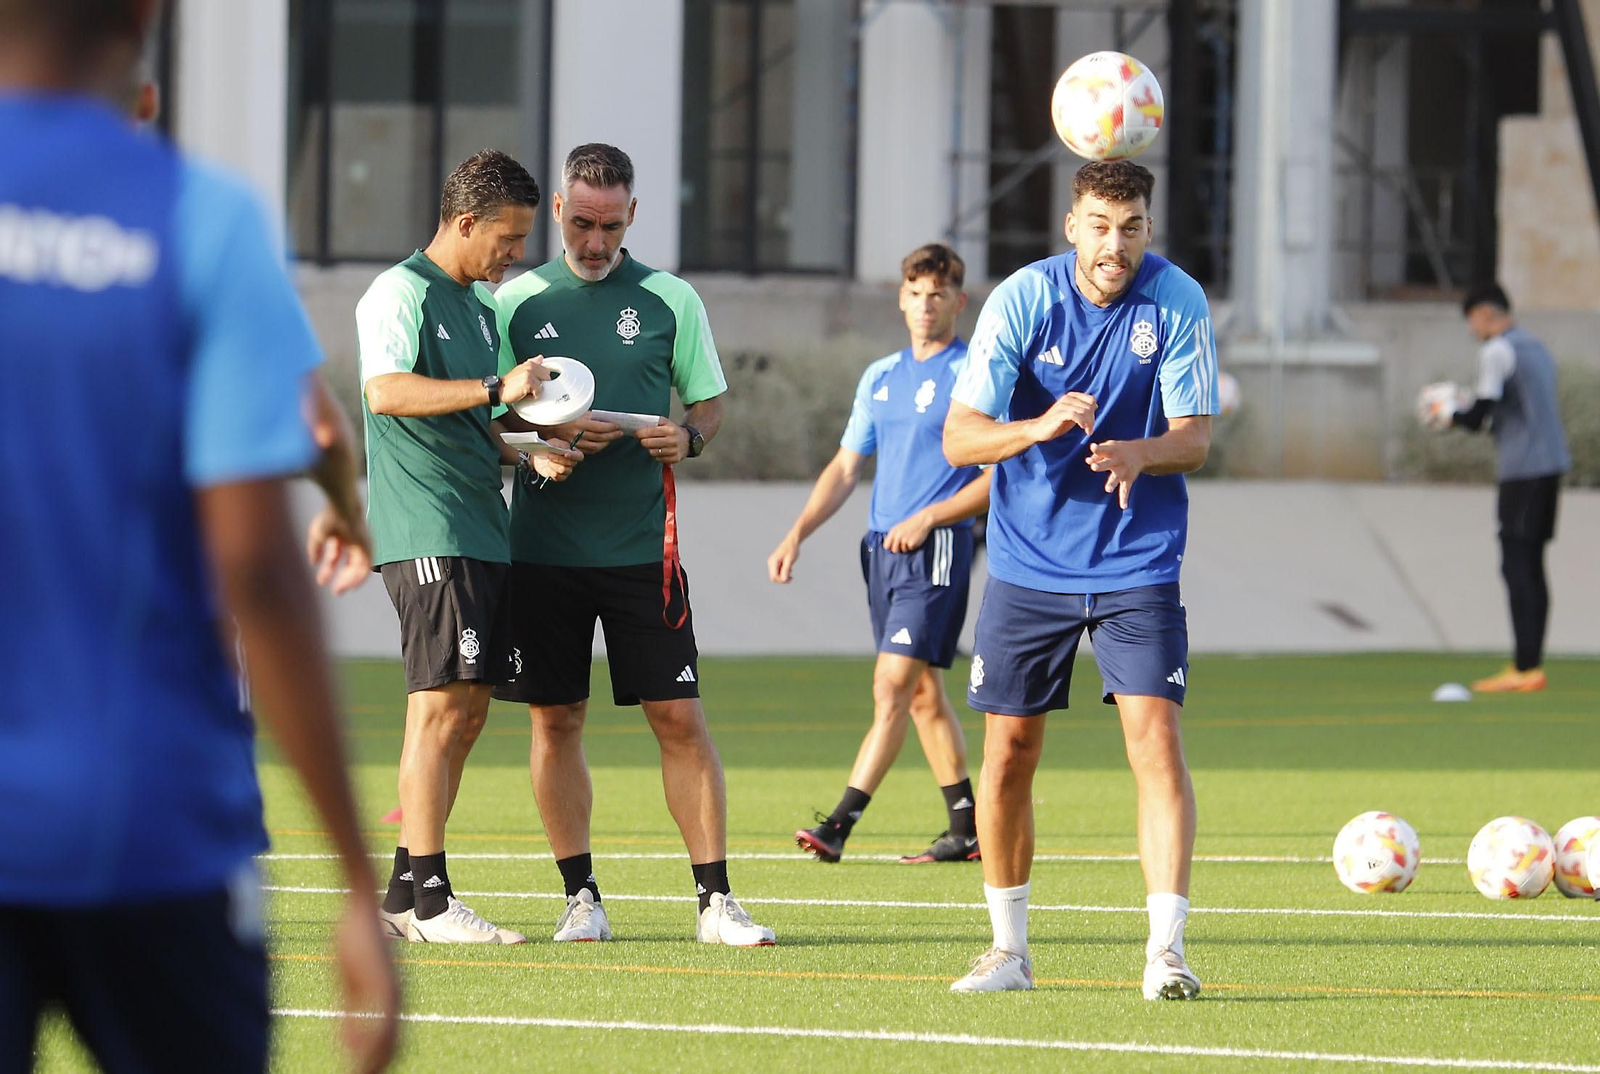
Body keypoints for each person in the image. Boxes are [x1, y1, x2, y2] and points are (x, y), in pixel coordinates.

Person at [0, 0, 398, 1069]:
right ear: (146, 20)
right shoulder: (198, 219)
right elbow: (257, 566)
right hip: (148, 820)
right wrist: (362, 881)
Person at [941, 160, 1216, 999]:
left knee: (1155, 743)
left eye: (1130, 227)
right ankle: (1008, 952)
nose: (1115, 244)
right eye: (1099, 224)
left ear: (1147, 229)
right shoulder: (1024, 299)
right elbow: (960, 438)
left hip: (1138, 560)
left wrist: (1144, 450)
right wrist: (1038, 424)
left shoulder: (1177, 301)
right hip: (1030, 564)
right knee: (1009, 753)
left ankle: (1165, 951)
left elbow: (1195, 438)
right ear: (1072, 226)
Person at [493, 142, 775, 947]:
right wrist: (534, 442)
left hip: (642, 551)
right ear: (556, 211)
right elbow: (491, 416)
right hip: (541, 549)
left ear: (633, 217)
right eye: (581, 223)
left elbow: (711, 404)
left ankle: (716, 903)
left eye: (609, 226)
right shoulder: (515, 300)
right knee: (556, 720)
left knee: (678, 716)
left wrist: (688, 437)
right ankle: (581, 898)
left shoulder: (668, 298)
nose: (594, 242)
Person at [359, 149, 576, 945]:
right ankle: (432, 902)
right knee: (440, 707)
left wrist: (527, 450)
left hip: (481, 524)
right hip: (428, 525)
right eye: (509, 239)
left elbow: (475, 424)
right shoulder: (398, 292)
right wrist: (498, 390)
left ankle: (401, 896)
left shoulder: (479, 311)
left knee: (471, 708)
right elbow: (386, 392)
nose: (516, 254)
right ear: (464, 223)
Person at [770, 242, 991, 864]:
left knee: (892, 683)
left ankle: (840, 823)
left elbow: (1001, 470)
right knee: (921, 693)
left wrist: (930, 516)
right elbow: (845, 469)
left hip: (939, 547)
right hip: (881, 552)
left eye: (939, 294)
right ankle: (966, 829)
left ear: (958, 301)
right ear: (901, 299)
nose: (926, 305)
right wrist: (797, 533)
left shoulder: (973, 371)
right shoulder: (881, 376)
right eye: (916, 293)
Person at [1443, 283, 1571, 692]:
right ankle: (1529, 662)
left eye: (1472, 321)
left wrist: (1447, 413)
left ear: (1484, 314)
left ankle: (1525, 667)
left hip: (1523, 470)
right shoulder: (1536, 346)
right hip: (1548, 466)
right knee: (1530, 563)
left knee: (1516, 563)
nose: (1472, 331)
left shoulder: (1496, 350)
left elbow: (1478, 415)